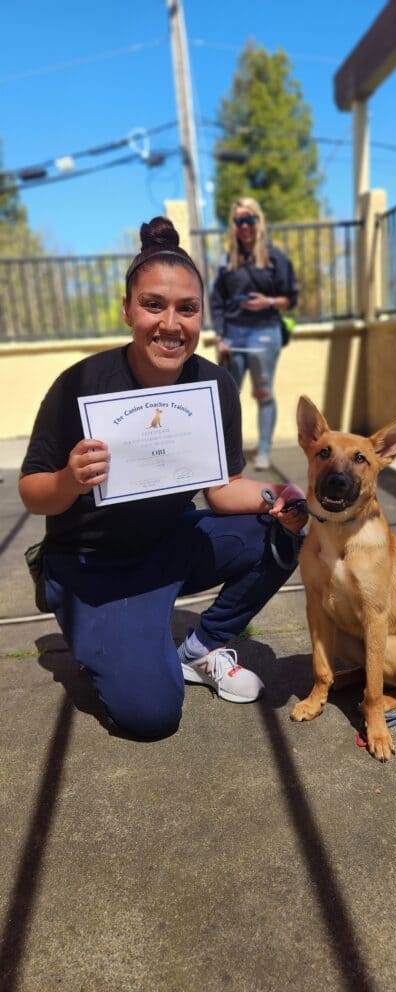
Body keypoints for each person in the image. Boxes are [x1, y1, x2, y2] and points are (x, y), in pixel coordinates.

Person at [19, 216, 307, 741]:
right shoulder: (80, 383)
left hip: (168, 545)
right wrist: (70, 478)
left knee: (285, 530)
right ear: (127, 309)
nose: (170, 323)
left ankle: (201, 648)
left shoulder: (214, 385)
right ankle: (95, 624)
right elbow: (31, 491)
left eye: (186, 309)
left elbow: (222, 490)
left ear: (202, 316)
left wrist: (280, 496)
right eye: (153, 304)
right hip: (92, 566)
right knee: (151, 716)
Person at [210, 197, 297, 471]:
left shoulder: (275, 257)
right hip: (233, 337)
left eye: (249, 219)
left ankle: (263, 451)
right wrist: (220, 337)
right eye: (238, 221)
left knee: (263, 393)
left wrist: (267, 302)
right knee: (228, 395)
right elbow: (217, 302)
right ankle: (226, 452)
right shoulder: (226, 262)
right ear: (233, 226)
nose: (244, 225)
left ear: (258, 221)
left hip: (264, 335)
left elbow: (289, 299)